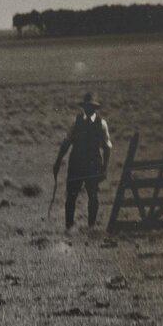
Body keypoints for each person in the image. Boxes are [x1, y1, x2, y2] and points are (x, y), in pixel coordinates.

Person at [53, 92, 112, 230]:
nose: (88, 108)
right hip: (76, 164)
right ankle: (69, 226)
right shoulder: (76, 121)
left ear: (95, 108)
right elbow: (66, 143)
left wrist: (105, 168)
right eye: (86, 106)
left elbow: (107, 147)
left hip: (93, 165)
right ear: (83, 107)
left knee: (93, 195)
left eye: (91, 106)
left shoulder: (101, 124)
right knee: (72, 195)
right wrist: (57, 162)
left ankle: (91, 226)